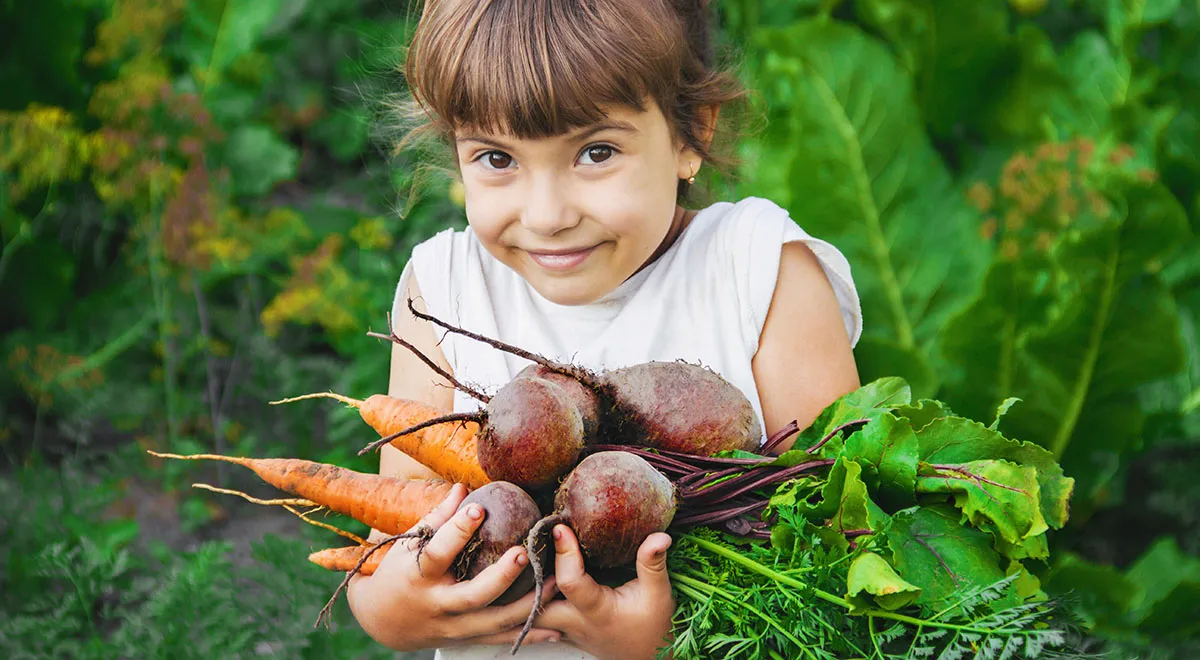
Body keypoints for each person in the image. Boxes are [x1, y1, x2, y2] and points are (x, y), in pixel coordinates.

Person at [346, 1, 862, 658]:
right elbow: (388, 550)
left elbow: (847, 551)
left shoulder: (759, 271)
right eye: (497, 158)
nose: (547, 214)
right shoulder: (442, 287)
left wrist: (665, 641)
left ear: (689, 137)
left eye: (595, 152)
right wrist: (388, 611)